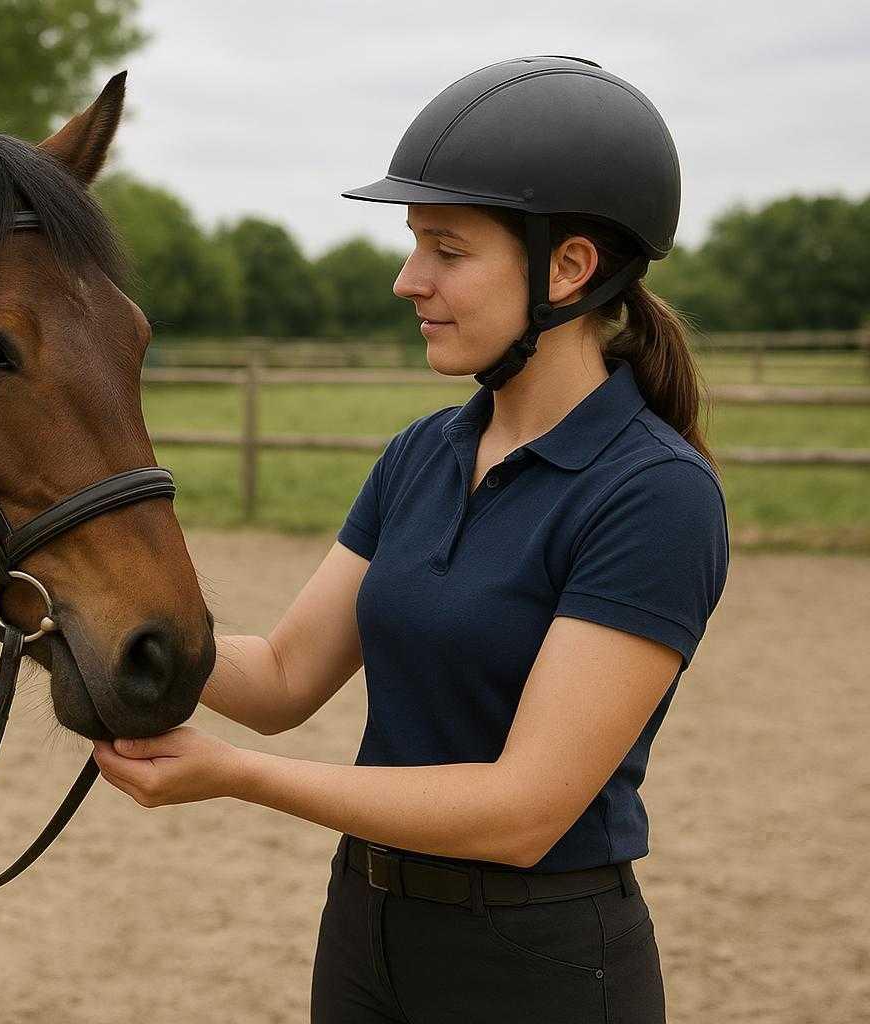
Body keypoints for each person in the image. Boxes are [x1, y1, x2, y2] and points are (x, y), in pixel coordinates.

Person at [90, 55, 730, 1023]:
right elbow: (278, 680)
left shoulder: (654, 495)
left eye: (447, 248)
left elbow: (524, 811)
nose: (407, 279)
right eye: (412, 244)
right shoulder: (423, 453)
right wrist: (100, 614)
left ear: (569, 266)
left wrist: (238, 778)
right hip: (366, 932)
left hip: (537, 964)